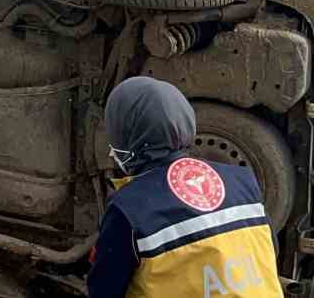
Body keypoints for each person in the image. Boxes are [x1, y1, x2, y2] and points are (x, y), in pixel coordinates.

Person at [88, 77, 282, 298]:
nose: (111, 151)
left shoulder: (129, 209)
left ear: (128, 137)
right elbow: (269, 251)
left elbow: (103, 291)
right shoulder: (242, 181)